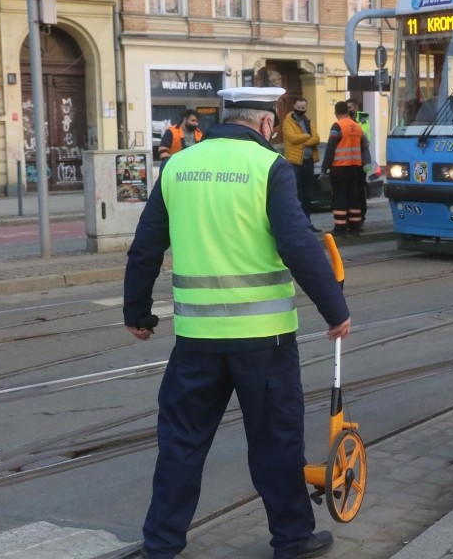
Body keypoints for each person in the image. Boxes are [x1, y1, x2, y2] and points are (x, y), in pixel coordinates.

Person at [124, 86, 352, 559]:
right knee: (275, 443)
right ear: (267, 124)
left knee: (181, 445)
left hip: (196, 342)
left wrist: (138, 312)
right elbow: (296, 244)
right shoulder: (269, 168)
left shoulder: (178, 166)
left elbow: (146, 246)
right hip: (263, 342)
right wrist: (335, 310)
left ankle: (161, 544)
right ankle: (292, 540)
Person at [321, 101, 370, 236]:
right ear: (347, 112)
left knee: (339, 197)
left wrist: (324, 169)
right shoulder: (357, 126)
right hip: (355, 168)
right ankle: (355, 226)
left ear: (336, 112)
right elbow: (362, 147)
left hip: (340, 168)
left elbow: (330, 149)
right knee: (354, 197)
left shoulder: (338, 126)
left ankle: (340, 227)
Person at [282, 96, 321, 232]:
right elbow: (292, 138)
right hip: (295, 163)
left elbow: (317, 139)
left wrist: (304, 140)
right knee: (297, 195)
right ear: (294, 107)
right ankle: (298, 225)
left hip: (308, 163)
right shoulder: (288, 122)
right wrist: (307, 136)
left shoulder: (308, 121)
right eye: (299, 108)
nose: (301, 110)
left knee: (308, 195)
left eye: (303, 108)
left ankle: (307, 223)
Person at [346, 98, 371, 224]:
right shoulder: (345, 120)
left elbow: (366, 138)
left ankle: (361, 216)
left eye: (350, 108)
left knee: (360, 190)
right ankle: (353, 217)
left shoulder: (362, 119)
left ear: (355, 108)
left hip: (360, 160)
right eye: (346, 108)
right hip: (349, 161)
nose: (348, 110)